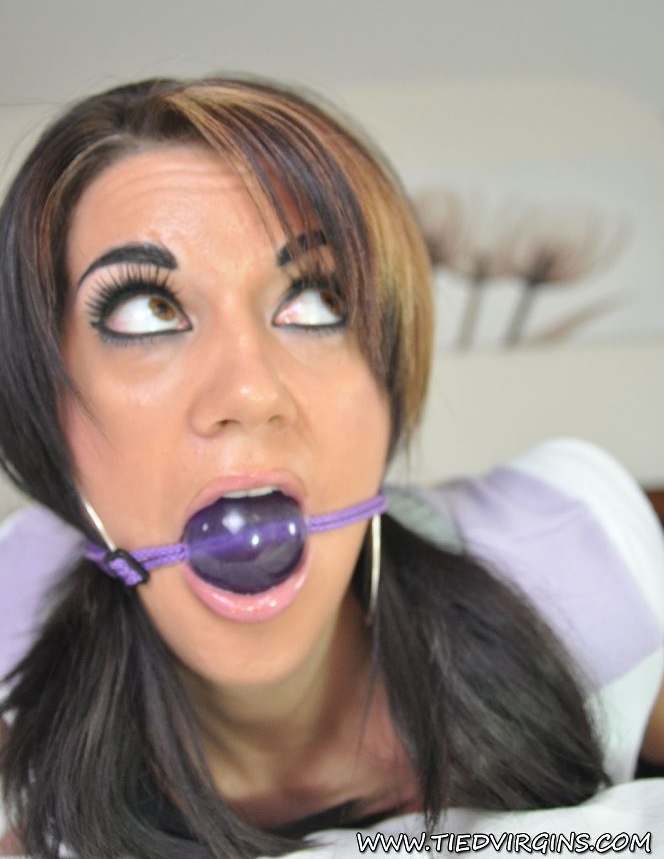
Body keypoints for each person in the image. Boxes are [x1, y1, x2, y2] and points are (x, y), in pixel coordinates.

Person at [0, 76, 662, 859]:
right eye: (148, 311)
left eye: (315, 301)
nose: (251, 393)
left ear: (389, 385)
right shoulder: (15, 639)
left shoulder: (569, 553)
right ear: (47, 415)